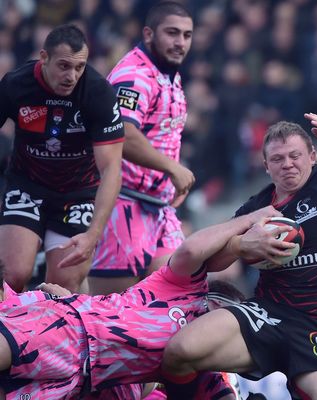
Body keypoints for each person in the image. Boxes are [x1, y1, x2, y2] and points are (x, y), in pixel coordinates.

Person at [160, 119, 317, 400]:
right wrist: (241, 245)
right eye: (277, 158)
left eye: (295, 155)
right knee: (178, 353)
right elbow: (214, 263)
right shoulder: (256, 207)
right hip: (267, 313)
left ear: (312, 157)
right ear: (266, 166)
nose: (287, 164)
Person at [0, 205, 284, 399]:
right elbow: (191, 249)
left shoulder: (203, 367)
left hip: (74, 381)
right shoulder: (182, 287)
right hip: (66, 333)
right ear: (220, 309)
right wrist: (247, 226)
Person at [0, 24, 124, 293]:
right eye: (64, 66)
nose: (72, 76)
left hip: (78, 194)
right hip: (26, 186)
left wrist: (94, 235)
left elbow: (112, 169)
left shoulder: (98, 92)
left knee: (61, 285)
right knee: (12, 275)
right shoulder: (15, 84)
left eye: (79, 68)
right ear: (44, 57)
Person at [90, 1, 195, 295]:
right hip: (123, 202)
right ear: (149, 34)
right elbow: (122, 131)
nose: (180, 43)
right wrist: (171, 167)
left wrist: (171, 178)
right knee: (112, 309)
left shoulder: (168, 73)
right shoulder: (135, 74)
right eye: (172, 33)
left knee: (176, 294)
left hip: (158, 207)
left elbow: (161, 135)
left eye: (187, 35)